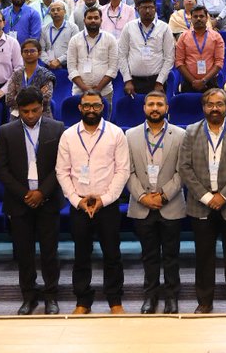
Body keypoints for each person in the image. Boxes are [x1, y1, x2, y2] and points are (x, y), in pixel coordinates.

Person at [178, 88, 226, 314]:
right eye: (210, 104)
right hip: (200, 203)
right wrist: (206, 196)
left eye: (219, 104)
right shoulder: (190, 132)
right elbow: (184, 167)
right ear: (203, 107)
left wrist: (223, 195)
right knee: (203, 255)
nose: (214, 108)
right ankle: (204, 301)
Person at [56, 89, 131, 314]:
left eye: (96, 106)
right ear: (80, 108)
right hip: (79, 205)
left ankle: (115, 301)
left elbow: (123, 170)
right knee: (81, 255)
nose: (91, 110)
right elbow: (62, 172)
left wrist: (104, 199)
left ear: (103, 107)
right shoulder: (68, 135)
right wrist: (77, 201)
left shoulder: (116, 133)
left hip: (107, 205)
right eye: (87, 106)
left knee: (112, 254)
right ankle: (82, 301)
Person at [0, 86, 65, 316]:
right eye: (25, 111)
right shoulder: (6, 131)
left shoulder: (57, 128)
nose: (31, 115)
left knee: (49, 252)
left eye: (35, 110)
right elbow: (1, 169)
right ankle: (28, 296)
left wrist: (41, 192)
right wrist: (24, 194)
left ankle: (51, 296)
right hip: (19, 201)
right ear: (18, 110)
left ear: (43, 107)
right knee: (24, 254)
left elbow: (61, 166)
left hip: (48, 200)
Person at [125, 90, 185, 314]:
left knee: (171, 255)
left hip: (171, 204)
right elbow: (126, 171)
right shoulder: (129, 135)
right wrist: (142, 196)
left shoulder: (180, 135)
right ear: (144, 108)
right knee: (148, 255)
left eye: (160, 104)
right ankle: (150, 296)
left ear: (167, 108)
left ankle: (172, 297)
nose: (155, 108)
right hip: (141, 205)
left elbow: (183, 171)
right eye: (150, 104)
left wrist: (164, 195)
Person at [117, 0, 174, 95]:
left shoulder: (164, 28)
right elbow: (122, 55)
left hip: (156, 81)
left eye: (151, 7)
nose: (148, 11)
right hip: (133, 82)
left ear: (155, 9)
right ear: (137, 9)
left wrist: (160, 81)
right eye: (144, 8)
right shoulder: (129, 27)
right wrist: (127, 80)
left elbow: (169, 58)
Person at [67, 7, 119, 98]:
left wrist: (98, 88)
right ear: (84, 20)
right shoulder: (74, 40)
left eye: (96, 18)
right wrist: (85, 89)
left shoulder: (110, 39)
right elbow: (71, 68)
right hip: (79, 92)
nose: (93, 20)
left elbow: (113, 68)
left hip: (104, 92)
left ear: (101, 20)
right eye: (90, 18)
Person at [175, 4, 225, 93]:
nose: (198, 19)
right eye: (195, 16)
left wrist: (204, 80)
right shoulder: (183, 37)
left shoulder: (216, 37)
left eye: (201, 16)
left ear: (206, 18)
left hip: (210, 82)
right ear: (191, 18)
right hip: (188, 83)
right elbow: (179, 62)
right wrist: (193, 81)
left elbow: (219, 63)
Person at [5, 38, 55, 118]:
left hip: (42, 117)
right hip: (17, 117)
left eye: (32, 51)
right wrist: (38, 94)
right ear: (21, 54)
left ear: (39, 53)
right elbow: (9, 99)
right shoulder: (16, 74)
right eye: (26, 51)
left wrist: (19, 97)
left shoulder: (46, 76)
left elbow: (45, 99)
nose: (29, 54)